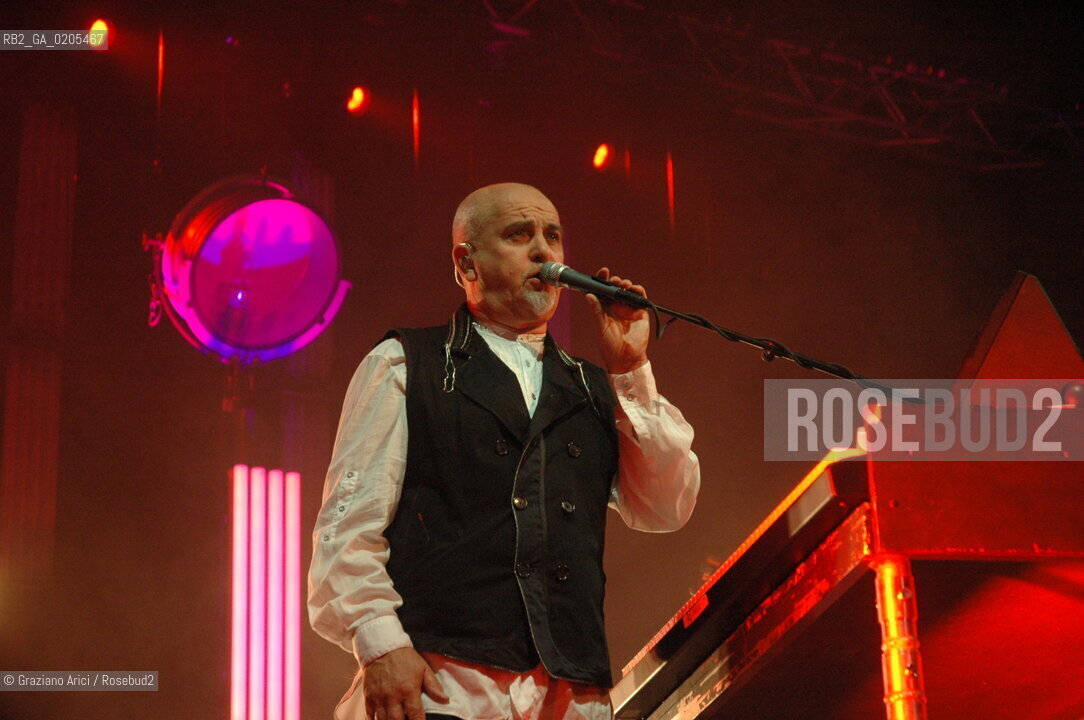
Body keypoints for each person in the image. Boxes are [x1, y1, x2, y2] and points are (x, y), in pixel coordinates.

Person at [309, 183, 700, 720]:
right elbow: (345, 530)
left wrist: (631, 371)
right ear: (466, 263)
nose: (544, 252)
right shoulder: (405, 365)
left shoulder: (593, 387)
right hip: (444, 690)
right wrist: (381, 644)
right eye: (520, 235)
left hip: (569, 699)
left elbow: (664, 507)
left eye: (553, 236)